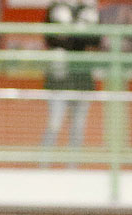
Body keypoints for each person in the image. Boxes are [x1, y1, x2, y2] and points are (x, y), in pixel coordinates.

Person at [40, 0, 102, 155]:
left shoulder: (90, 10)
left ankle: (73, 170)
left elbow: (96, 40)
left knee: (78, 126)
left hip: (83, 77)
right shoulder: (56, 8)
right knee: (55, 123)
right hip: (59, 76)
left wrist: (73, 34)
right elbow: (51, 38)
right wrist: (77, 34)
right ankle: (43, 167)